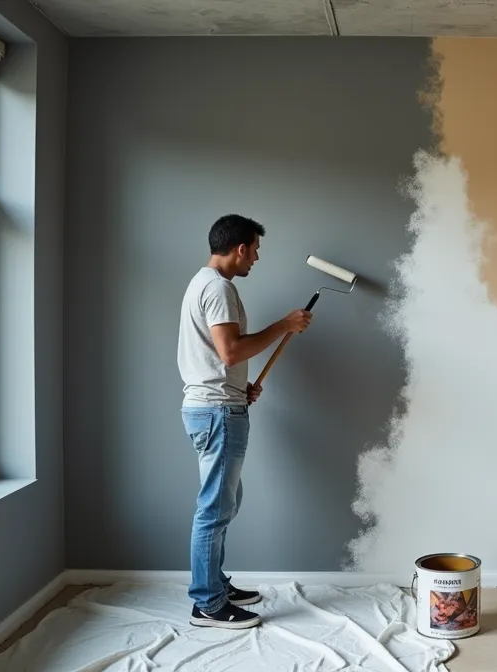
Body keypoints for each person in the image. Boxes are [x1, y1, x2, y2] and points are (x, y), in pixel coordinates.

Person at [177, 214, 312, 629]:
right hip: (217, 411)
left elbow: (219, 357)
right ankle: (208, 603)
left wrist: (240, 387)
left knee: (224, 503)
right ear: (240, 248)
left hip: (219, 404)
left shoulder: (204, 283)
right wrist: (284, 325)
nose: (255, 258)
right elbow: (230, 351)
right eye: (255, 250)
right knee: (214, 509)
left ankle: (214, 583)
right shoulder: (218, 288)